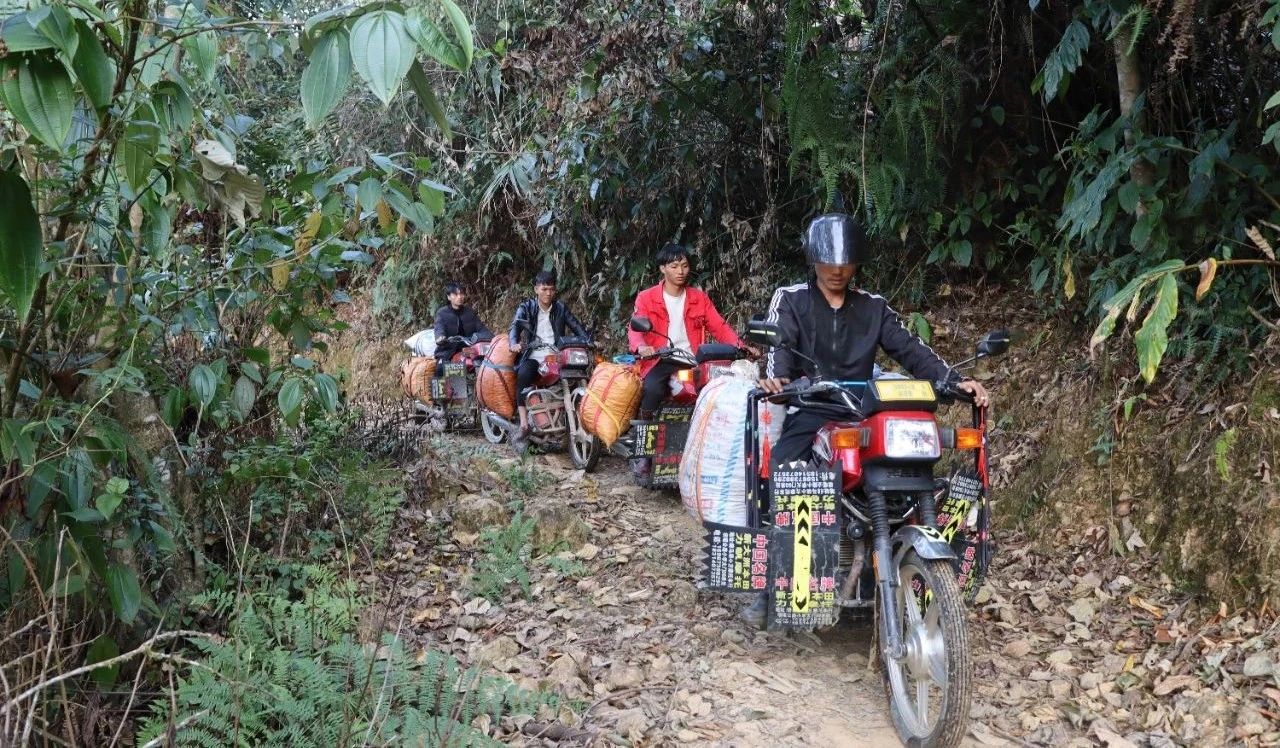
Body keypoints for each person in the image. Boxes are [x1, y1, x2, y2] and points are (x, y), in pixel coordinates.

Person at [740, 212, 989, 628]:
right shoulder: (792, 299)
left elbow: (910, 349)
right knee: (783, 471)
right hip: (814, 408)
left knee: (917, 467)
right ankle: (772, 586)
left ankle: (913, 560)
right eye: (829, 262)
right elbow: (779, 347)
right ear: (813, 259)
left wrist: (953, 381)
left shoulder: (874, 307)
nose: (837, 271)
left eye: (845, 263)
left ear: (857, 263)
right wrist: (777, 377)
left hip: (865, 411)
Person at [627, 244, 754, 419]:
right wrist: (641, 347)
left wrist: (741, 347)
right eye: (674, 266)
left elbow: (719, 327)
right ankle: (646, 423)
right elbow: (635, 329)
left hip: (693, 359)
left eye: (684, 266)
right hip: (660, 359)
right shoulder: (646, 297)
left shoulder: (699, 298)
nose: (680, 271)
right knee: (652, 388)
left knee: (719, 389)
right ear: (663, 268)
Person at [508, 270, 589, 451]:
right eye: (544, 289)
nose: (548, 293)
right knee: (523, 375)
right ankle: (523, 425)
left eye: (551, 289)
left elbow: (576, 325)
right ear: (536, 289)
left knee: (577, 375)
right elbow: (514, 327)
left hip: (556, 356)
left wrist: (588, 340)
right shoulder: (526, 307)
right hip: (534, 356)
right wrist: (513, 343)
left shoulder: (560, 307)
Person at [432, 282, 491, 376]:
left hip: (469, 349)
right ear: (449, 297)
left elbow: (481, 328)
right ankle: (450, 385)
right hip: (448, 351)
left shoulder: (469, 312)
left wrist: (491, 337)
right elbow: (439, 328)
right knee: (440, 370)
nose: (459, 297)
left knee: (489, 362)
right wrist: (440, 337)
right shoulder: (442, 313)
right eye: (455, 294)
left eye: (461, 294)